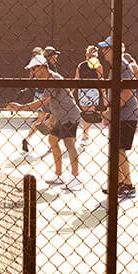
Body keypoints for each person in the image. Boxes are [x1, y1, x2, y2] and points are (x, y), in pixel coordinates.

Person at [7, 53, 82, 187]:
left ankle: (75, 177)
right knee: (52, 140)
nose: (32, 73)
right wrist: (51, 119)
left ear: (43, 67)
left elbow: (44, 101)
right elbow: (54, 103)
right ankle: (59, 175)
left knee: (69, 143)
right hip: (61, 115)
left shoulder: (54, 79)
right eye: (30, 70)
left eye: (33, 69)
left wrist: (22, 107)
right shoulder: (48, 81)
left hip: (70, 115)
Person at [98, 36, 138, 199]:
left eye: (106, 48)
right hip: (119, 115)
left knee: (119, 150)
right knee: (116, 150)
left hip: (126, 116)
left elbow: (127, 91)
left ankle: (129, 185)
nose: (103, 51)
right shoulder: (114, 67)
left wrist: (111, 110)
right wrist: (109, 111)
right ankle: (120, 184)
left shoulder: (122, 66)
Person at [74, 45, 103, 144]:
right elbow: (101, 80)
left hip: (82, 90)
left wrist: (72, 91)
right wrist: (103, 93)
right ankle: (85, 135)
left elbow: (76, 80)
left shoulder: (80, 65)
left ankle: (85, 135)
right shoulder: (98, 65)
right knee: (90, 113)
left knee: (86, 113)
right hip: (93, 90)